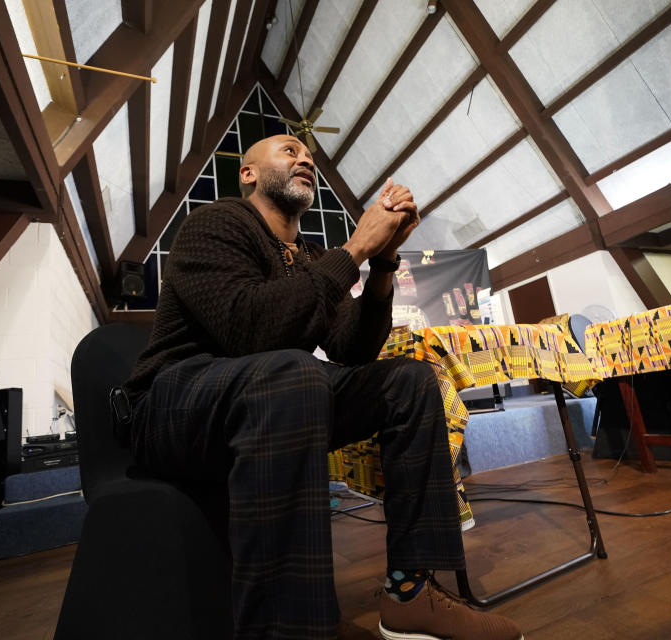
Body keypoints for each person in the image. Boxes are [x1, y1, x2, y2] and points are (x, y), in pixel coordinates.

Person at [123, 135, 522, 640]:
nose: (306, 158)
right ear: (248, 173)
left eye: (309, 154)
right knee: (293, 371)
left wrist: (381, 263)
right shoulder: (216, 222)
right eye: (289, 150)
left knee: (410, 380)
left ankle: (410, 593)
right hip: (174, 404)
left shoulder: (310, 257)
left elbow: (350, 351)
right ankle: (290, 630)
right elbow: (249, 331)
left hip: (271, 393)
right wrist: (354, 249)